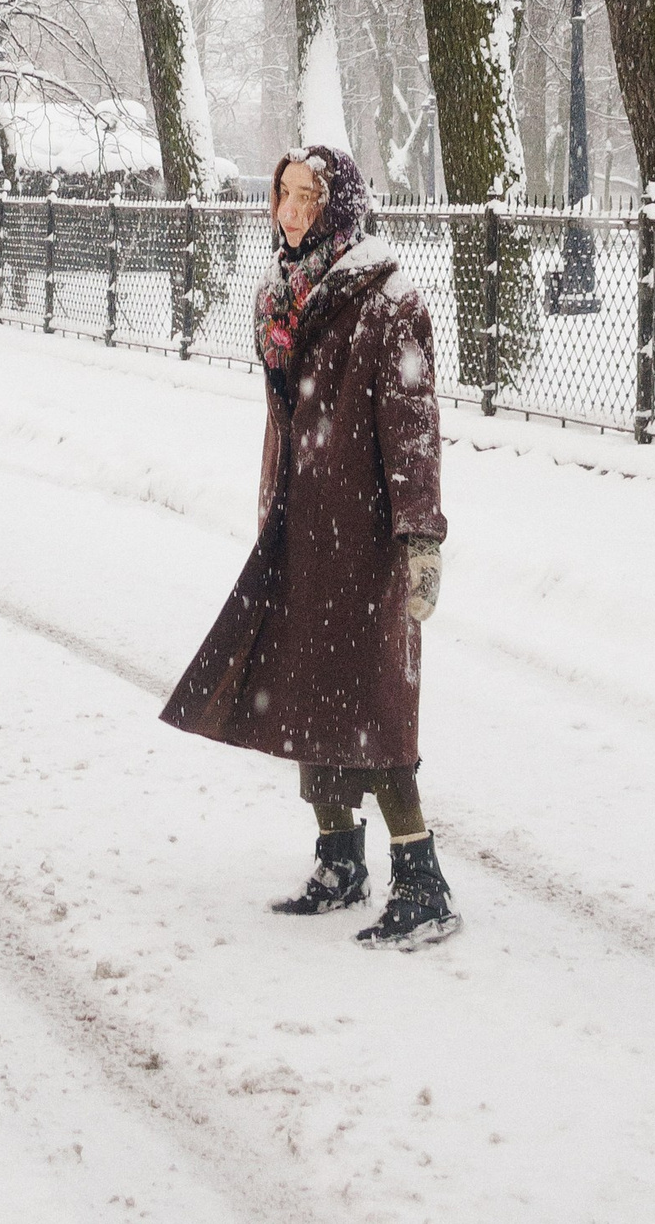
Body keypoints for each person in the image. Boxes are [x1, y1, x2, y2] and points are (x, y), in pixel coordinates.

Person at [159, 142, 457, 948]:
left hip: (364, 534)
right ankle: (338, 860)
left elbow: (413, 428)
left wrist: (420, 536)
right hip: (297, 524)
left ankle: (421, 878)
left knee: (372, 700)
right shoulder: (279, 297)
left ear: (339, 205)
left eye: (307, 197)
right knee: (303, 688)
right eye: (283, 194)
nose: (292, 210)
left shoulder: (389, 297)